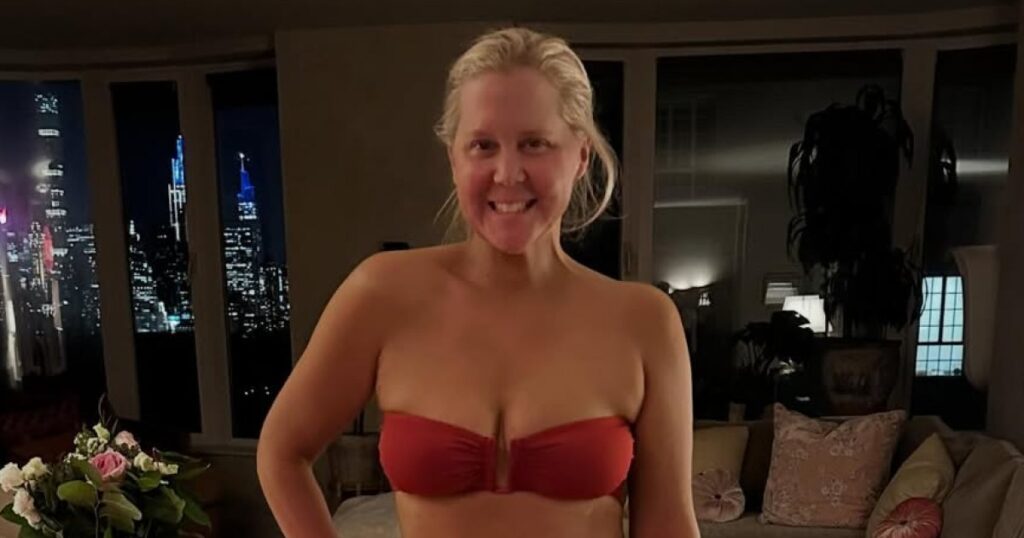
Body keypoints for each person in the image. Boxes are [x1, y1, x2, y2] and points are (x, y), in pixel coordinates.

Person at [257, 27, 700, 538]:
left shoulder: (643, 321)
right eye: (483, 145)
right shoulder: (382, 294)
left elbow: (668, 523)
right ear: (454, 159)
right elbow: (282, 452)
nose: (507, 173)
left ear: (580, 154)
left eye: (534, 144)